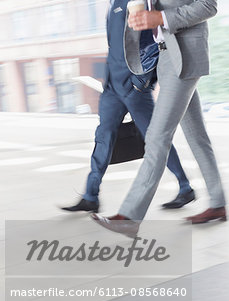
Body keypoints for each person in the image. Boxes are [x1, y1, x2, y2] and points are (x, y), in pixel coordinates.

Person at [92, 0, 226, 237]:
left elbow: (208, 5)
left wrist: (161, 18)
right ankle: (218, 204)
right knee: (197, 136)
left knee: (156, 136)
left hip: (184, 55)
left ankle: (130, 216)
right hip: (165, 56)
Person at [61, 0, 195, 213]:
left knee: (155, 138)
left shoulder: (139, 2)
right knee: (103, 137)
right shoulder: (112, 3)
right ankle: (91, 196)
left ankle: (185, 187)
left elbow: (155, 40)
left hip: (134, 88)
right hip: (112, 87)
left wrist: (143, 81)